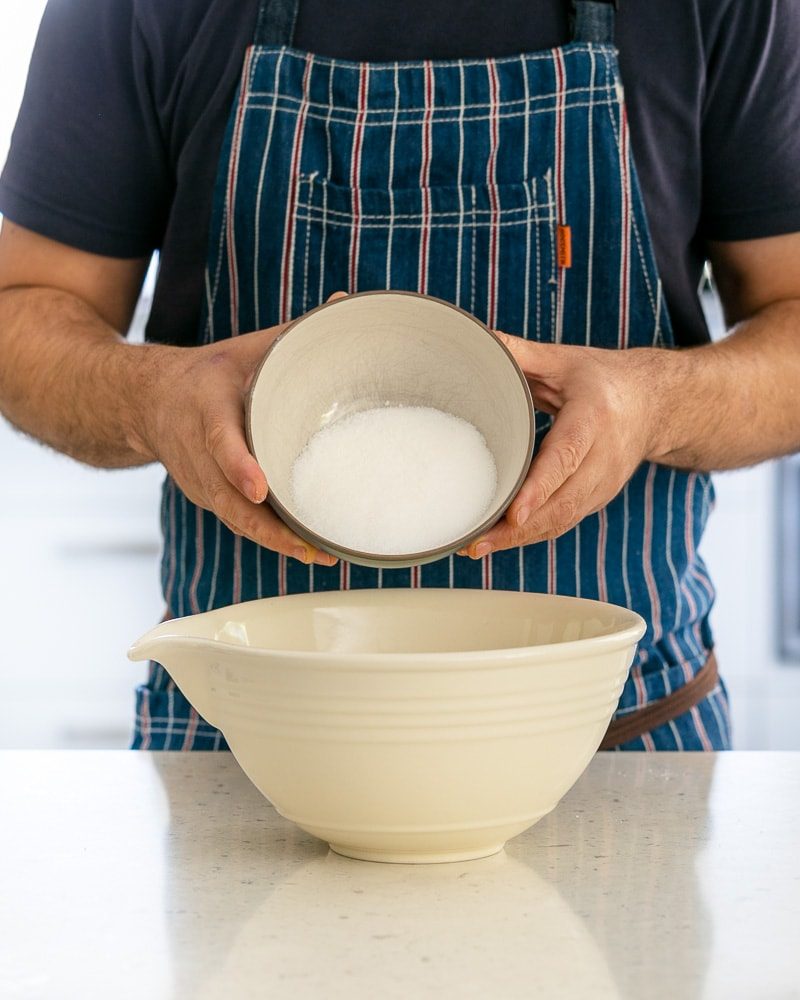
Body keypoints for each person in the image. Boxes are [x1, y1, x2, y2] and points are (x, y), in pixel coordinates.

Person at [1, 0, 799, 751]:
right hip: (247, 757)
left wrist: (652, 405)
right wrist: (151, 400)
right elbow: (23, 313)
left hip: (620, 747)